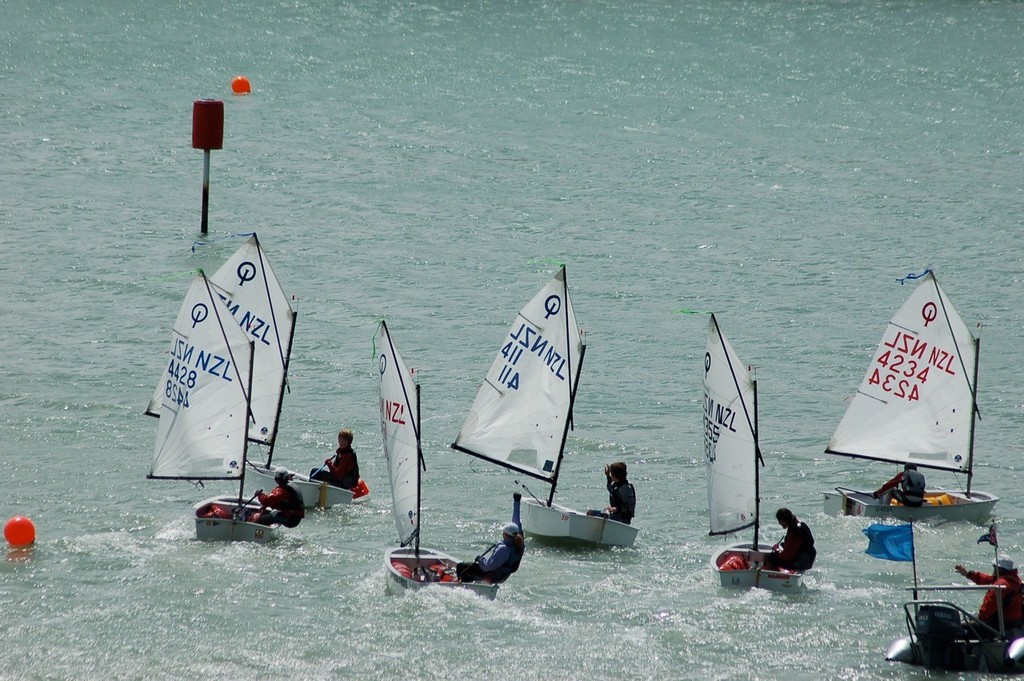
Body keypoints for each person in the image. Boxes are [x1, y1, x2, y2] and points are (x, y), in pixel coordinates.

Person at [456, 493, 524, 584]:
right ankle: (472, 581)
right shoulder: (520, 543)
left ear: (506, 534)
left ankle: (463, 585)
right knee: (472, 569)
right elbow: (516, 521)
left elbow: (487, 567)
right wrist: (517, 502)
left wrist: (481, 559)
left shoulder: (504, 549)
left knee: (460, 567)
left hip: (493, 576)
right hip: (502, 576)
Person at [955, 556, 1024, 632]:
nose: (994, 569)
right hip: (1014, 620)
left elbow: (989, 606)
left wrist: (980, 620)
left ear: (1000, 568)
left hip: (1003, 623)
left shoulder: (1001, 584)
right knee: (971, 619)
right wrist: (967, 574)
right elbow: (987, 579)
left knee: (960, 627)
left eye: (995, 567)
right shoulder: (1014, 579)